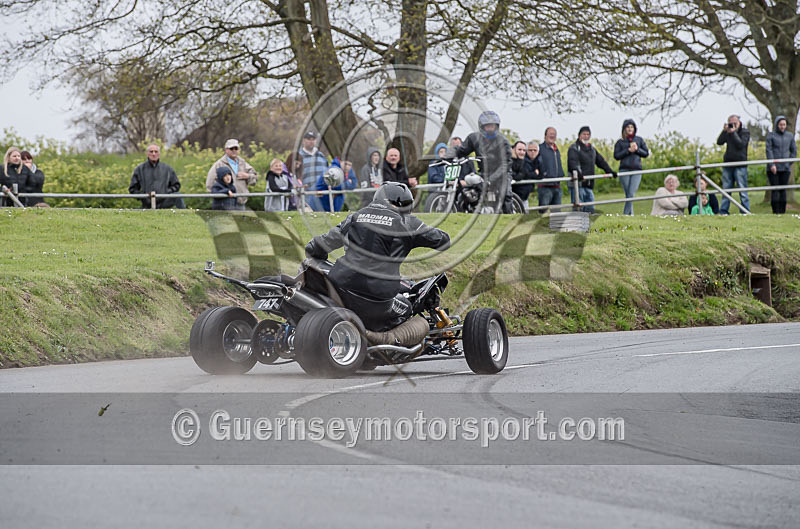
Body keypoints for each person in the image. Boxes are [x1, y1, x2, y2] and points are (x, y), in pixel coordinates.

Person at [304, 182, 450, 331]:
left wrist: (321, 258)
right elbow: (443, 240)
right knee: (408, 307)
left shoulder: (355, 217)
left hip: (342, 287)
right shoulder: (409, 223)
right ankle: (389, 344)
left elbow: (315, 246)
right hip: (378, 298)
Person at [454, 110, 514, 213]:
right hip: (484, 173)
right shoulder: (474, 138)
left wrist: (491, 179)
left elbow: (506, 163)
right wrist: (448, 155)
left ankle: (510, 218)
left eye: (492, 126)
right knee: (466, 191)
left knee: (505, 194)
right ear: (482, 127)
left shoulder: (503, 141)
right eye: (488, 126)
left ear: (496, 126)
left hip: (501, 174)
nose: (490, 128)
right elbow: (462, 151)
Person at [566, 126, 617, 213]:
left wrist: (610, 171)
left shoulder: (592, 149)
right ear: (579, 135)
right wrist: (578, 174)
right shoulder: (574, 148)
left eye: (588, 134)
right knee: (578, 209)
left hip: (589, 184)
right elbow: (572, 163)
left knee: (590, 209)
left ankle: (588, 226)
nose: (586, 136)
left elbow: (600, 161)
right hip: (578, 185)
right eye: (584, 134)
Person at [205, 139, 258, 209]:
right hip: (225, 203)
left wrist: (247, 176)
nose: (234, 150)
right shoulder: (219, 164)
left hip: (241, 202)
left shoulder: (243, 163)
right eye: (231, 148)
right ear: (226, 150)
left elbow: (255, 178)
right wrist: (222, 193)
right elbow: (210, 185)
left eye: (236, 148)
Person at [129, 144, 185, 209]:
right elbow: (132, 189)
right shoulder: (140, 169)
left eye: (156, 151)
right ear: (147, 154)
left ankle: (186, 216)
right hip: (147, 204)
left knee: (177, 195)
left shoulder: (167, 169)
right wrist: (144, 196)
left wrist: (166, 192)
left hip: (164, 202)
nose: (153, 154)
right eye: (151, 151)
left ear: (159, 154)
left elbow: (176, 185)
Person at [715, 115, 751, 214]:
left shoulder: (745, 132)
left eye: (735, 123)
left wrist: (734, 133)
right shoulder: (727, 132)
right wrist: (724, 131)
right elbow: (719, 142)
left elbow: (741, 144)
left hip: (740, 164)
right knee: (726, 189)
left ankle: (745, 211)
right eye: (731, 123)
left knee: (742, 189)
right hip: (728, 164)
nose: (733, 125)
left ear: (739, 122)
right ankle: (723, 211)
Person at [614, 119, 649, 215]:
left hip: (636, 170)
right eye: (628, 127)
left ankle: (626, 215)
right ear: (624, 129)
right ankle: (631, 215)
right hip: (624, 170)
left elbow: (646, 153)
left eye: (631, 127)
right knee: (628, 194)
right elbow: (616, 156)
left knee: (631, 193)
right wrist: (628, 150)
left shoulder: (639, 140)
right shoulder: (620, 142)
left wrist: (637, 150)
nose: (630, 129)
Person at [765, 115, 796, 214]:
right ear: (777, 125)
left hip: (785, 168)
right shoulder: (771, 135)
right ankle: (775, 212)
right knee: (775, 190)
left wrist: (789, 162)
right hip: (773, 168)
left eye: (784, 125)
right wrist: (772, 164)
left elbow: (793, 151)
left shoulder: (790, 136)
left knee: (783, 190)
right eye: (780, 124)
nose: (782, 126)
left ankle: (782, 212)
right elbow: (768, 150)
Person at [297, 131, 329, 211]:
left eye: (313, 139)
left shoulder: (321, 156)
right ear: (304, 141)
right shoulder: (298, 157)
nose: (311, 141)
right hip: (307, 197)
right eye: (309, 139)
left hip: (323, 196)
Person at [537, 127, 563, 210]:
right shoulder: (539, 148)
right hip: (545, 186)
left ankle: (555, 223)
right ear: (545, 136)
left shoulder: (556, 149)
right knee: (543, 211)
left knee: (557, 212)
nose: (552, 135)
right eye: (550, 134)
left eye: (554, 134)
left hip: (557, 186)